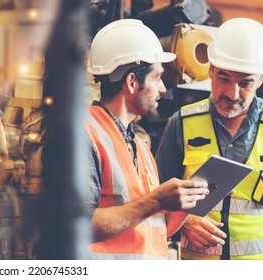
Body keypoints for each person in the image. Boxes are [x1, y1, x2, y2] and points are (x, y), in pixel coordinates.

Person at [155, 17, 263, 260]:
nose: (232, 94)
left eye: (245, 82)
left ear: (261, 80)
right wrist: (183, 222)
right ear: (211, 70)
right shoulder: (181, 123)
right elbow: (154, 198)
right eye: (224, 77)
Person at [84, 19, 210, 260]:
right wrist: (156, 200)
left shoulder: (140, 147)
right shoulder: (85, 134)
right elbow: (80, 226)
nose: (163, 88)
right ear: (132, 82)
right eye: (157, 77)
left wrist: (187, 202)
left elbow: (155, 228)